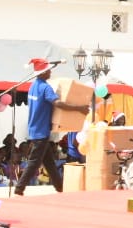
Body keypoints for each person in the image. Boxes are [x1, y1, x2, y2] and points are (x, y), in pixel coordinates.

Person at [13, 57, 84, 195]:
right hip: (41, 131)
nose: (50, 72)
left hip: (35, 128)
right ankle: (19, 188)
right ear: (42, 73)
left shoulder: (33, 87)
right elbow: (58, 103)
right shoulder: (45, 88)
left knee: (49, 163)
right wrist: (79, 108)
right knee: (34, 162)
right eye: (48, 70)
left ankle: (60, 187)